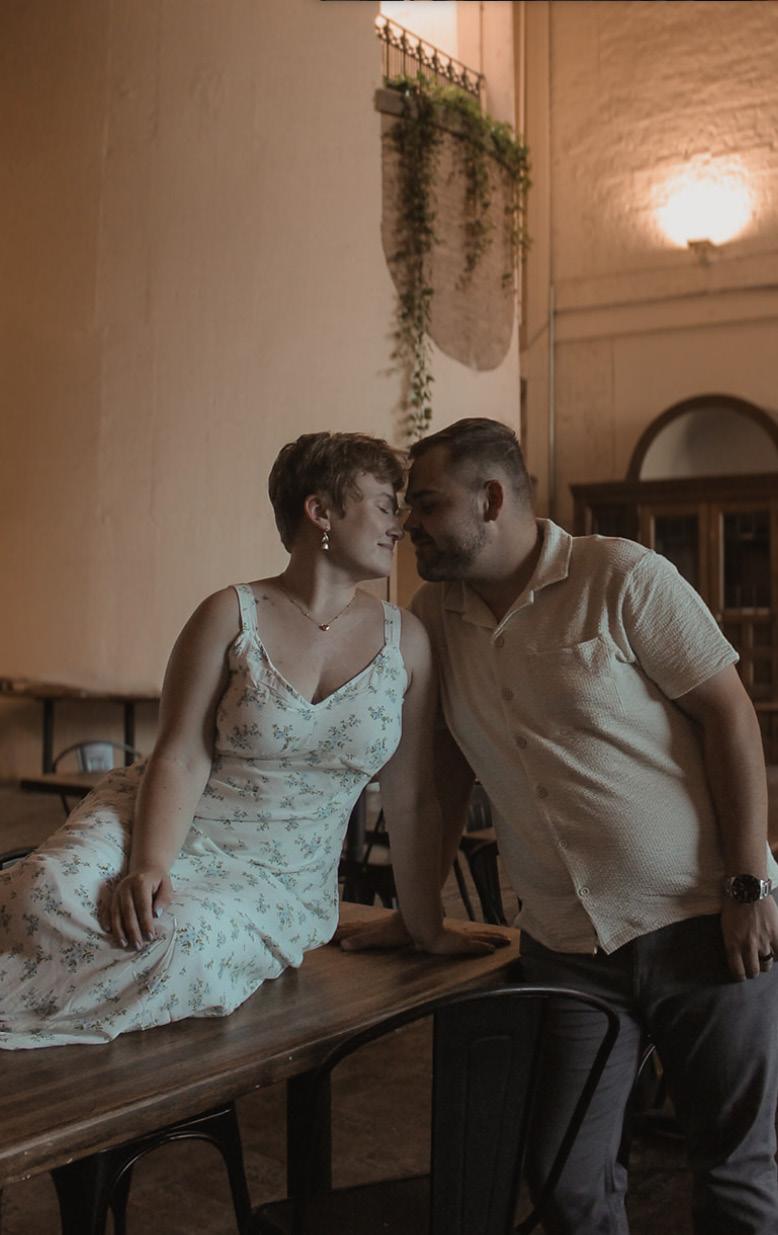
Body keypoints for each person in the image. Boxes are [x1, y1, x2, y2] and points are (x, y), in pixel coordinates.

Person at [342, 417, 778, 1235]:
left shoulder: (620, 575)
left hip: (703, 922)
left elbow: (731, 716)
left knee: (734, 1169)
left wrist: (749, 885)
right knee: (565, 1178)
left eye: (426, 504)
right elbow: (445, 772)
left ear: (491, 498)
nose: (407, 524)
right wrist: (418, 909)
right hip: (566, 947)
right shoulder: (434, 615)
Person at [0, 430, 501, 1050]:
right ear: (320, 511)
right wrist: (150, 864)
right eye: (382, 504)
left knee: (177, 941)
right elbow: (180, 753)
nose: (398, 524)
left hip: (274, 880)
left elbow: (413, 797)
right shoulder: (228, 614)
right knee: (41, 891)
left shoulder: (408, 641)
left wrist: (426, 926)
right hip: (158, 822)